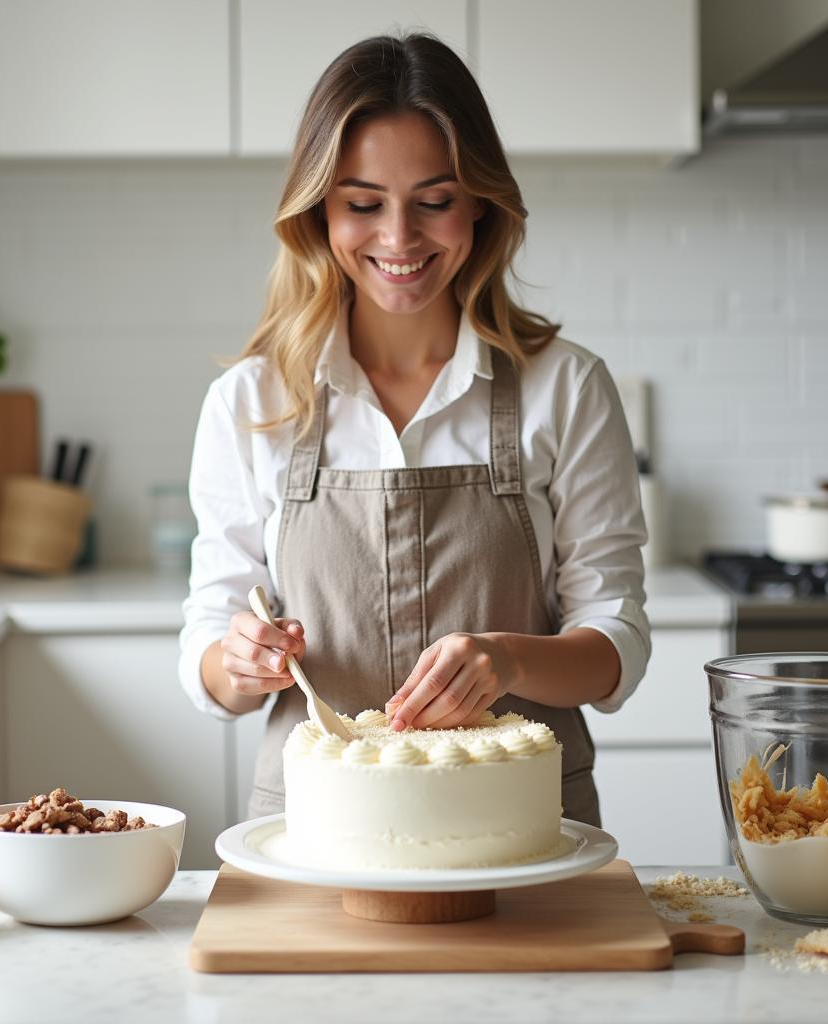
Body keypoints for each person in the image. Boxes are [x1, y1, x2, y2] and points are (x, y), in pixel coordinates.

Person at [178, 33, 649, 826]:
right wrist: (238, 660)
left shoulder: (566, 388)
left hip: (526, 830)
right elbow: (207, 650)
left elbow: (617, 646)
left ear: (479, 205)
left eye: (434, 201)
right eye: (363, 204)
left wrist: (508, 658)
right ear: (318, 210)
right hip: (313, 832)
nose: (399, 239)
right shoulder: (250, 402)